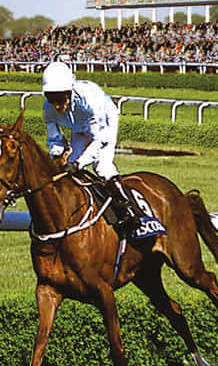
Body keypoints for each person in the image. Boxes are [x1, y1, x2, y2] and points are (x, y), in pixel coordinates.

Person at [42, 59, 163, 240]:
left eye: (59, 98)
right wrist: (58, 156)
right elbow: (55, 139)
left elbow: (100, 139)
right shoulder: (48, 108)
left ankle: (132, 212)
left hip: (105, 121)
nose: (56, 105)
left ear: (69, 91)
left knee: (102, 167)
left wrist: (79, 163)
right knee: (66, 169)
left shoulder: (89, 99)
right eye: (51, 99)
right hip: (81, 127)